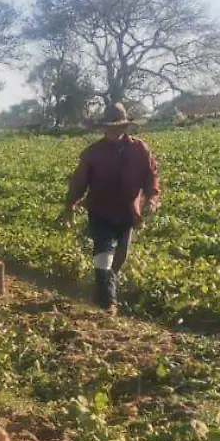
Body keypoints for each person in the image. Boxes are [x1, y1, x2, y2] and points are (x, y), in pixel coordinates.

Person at [59, 102, 160, 312]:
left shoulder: (139, 149)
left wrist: (151, 198)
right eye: (111, 128)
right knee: (104, 253)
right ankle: (109, 304)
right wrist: (70, 205)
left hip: (128, 212)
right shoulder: (93, 153)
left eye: (120, 127)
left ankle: (100, 292)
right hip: (100, 210)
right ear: (105, 128)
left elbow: (151, 176)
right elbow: (79, 182)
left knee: (119, 258)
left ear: (126, 127)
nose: (115, 132)